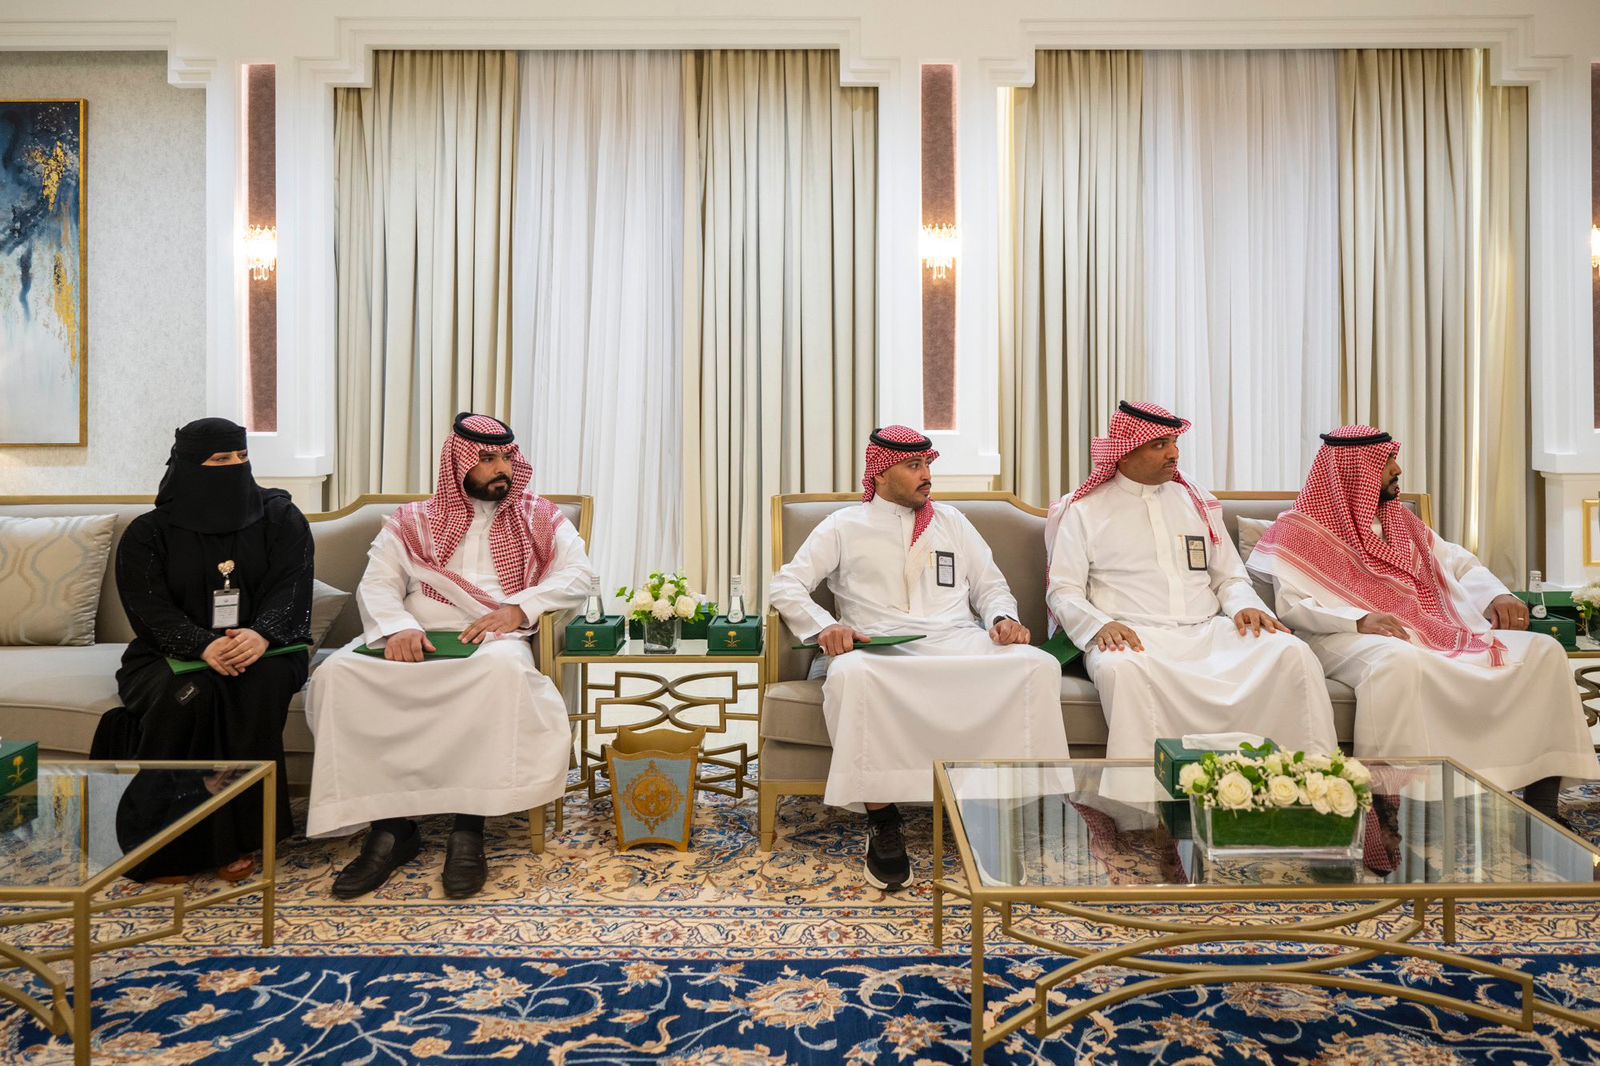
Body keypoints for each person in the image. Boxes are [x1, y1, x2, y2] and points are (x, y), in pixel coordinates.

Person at [305, 413, 595, 899]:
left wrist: (518, 609)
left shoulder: (538, 516)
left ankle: (468, 827)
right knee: (337, 675)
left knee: (502, 675)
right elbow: (378, 583)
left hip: (491, 639)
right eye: (488, 459)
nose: (501, 468)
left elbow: (579, 575)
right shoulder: (413, 521)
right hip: (414, 634)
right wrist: (397, 627)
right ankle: (390, 830)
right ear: (457, 463)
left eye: (507, 457)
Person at [768, 425, 1069, 892]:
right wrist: (825, 627)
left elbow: (990, 586)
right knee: (849, 678)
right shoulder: (843, 525)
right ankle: (882, 818)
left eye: (927, 464)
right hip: (879, 646)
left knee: (1037, 666)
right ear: (880, 473)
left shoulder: (953, 521)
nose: (926, 474)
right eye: (914, 466)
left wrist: (1003, 618)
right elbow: (786, 585)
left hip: (956, 639)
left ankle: (987, 810)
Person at [1247, 426, 1599, 822]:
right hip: (1340, 634)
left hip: (1428, 627)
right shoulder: (1300, 529)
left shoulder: (1402, 521)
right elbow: (1293, 606)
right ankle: (1389, 807)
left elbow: (1459, 564)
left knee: (1543, 650)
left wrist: (1497, 595)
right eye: (1386, 462)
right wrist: (1360, 619)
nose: (1397, 469)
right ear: (1355, 471)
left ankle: (1542, 800)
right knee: (1397, 663)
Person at [1044, 401, 1338, 769]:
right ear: (1124, 452)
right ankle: (1144, 799)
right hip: (1135, 637)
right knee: (1122, 671)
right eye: (1160, 445)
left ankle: (1306, 779)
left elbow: (1229, 576)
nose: (1174, 454)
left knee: (1292, 653)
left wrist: (1245, 605)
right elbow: (1063, 590)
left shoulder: (1195, 501)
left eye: (1174, 443)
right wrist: (1099, 625)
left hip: (1208, 633)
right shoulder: (1084, 510)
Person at [94, 417, 313, 882]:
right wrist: (203, 645)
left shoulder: (281, 519)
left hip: (270, 648)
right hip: (169, 651)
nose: (235, 466)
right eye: (220, 459)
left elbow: (292, 586)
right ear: (190, 465)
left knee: (253, 688)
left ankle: (238, 839)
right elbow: (148, 609)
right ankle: (168, 841)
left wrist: (262, 634)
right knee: (191, 695)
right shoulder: (148, 533)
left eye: (242, 456)